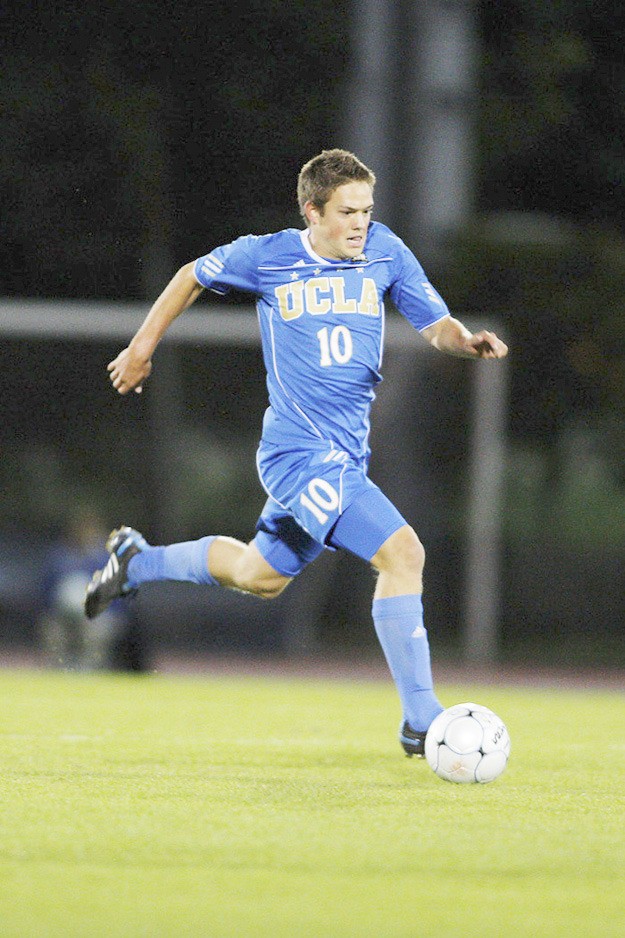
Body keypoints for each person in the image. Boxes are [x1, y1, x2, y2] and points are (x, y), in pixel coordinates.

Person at [85, 149, 507, 755]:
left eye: (366, 209)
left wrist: (464, 341)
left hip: (345, 457)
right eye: (346, 212)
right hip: (299, 453)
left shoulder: (385, 251)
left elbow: (433, 322)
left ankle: (137, 562)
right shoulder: (269, 256)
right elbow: (189, 277)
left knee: (261, 576)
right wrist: (141, 348)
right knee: (402, 553)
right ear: (312, 212)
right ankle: (422, 721)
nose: (360, 222)